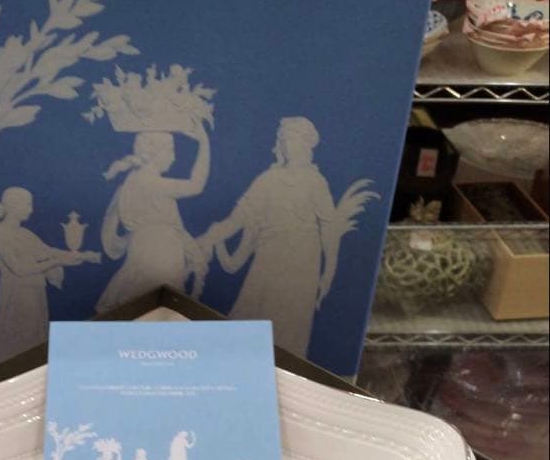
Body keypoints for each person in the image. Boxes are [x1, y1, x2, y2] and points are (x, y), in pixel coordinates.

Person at [199, 117, 377, 358]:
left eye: (292, 138)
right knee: (252, 315)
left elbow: (329, 230)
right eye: (284, 139)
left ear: (307, 143)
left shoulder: (315, 182)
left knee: (290, 328)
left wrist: (329, 271)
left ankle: (284, 378)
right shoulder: (267, 180)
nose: (287, 144)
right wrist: (208, 239)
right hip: (269, 256)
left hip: (302, 260)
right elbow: (237, 219)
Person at [96, 124, 210, 312]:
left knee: (140, 305)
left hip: (142, 248)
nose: (173, 158)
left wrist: (192, 250)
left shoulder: (129, 185)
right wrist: (204, 144)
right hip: (162, 252)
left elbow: (111, 223)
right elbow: (196, 185)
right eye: (171, 151)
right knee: (157, 308)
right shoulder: (154, 184)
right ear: (156, 153)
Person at [0, 187, 100, 358]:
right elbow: (19, 269)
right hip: (17, 296)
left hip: (34, 292)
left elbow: (47, 251)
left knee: (35, 339)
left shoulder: (24, 233)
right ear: (14, 205)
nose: (31, 209)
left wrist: (82, 255)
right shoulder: (1, 234)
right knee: (20, 343)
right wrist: (57, 262)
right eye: (27, 204)